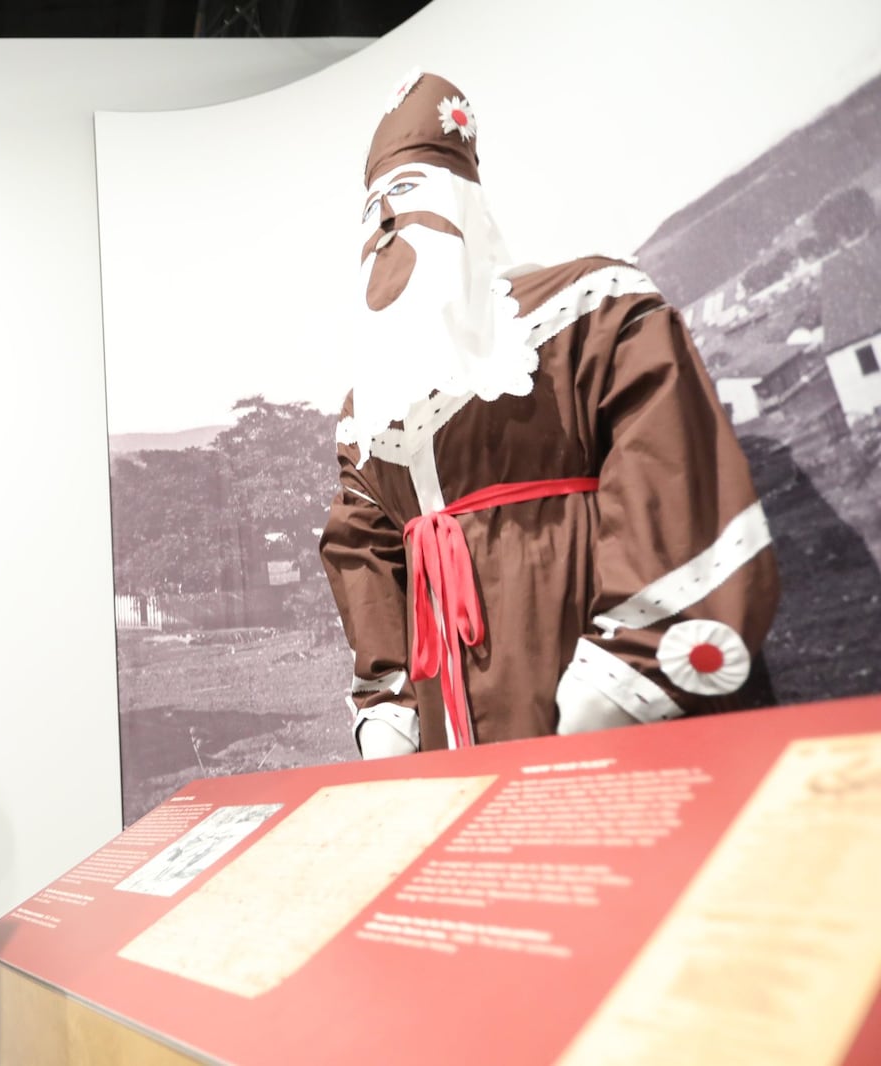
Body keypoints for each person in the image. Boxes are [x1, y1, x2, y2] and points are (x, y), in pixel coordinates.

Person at [319, 72, 779, 758]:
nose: (385, 223)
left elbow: (669, 469)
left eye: (408, 193)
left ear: (466, 206)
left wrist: (620, 680)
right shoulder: (371, 411)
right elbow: (364, 553)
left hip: (583, 674)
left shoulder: (592, 309)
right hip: (451, 711)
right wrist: (389, 705)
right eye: (373, 207)